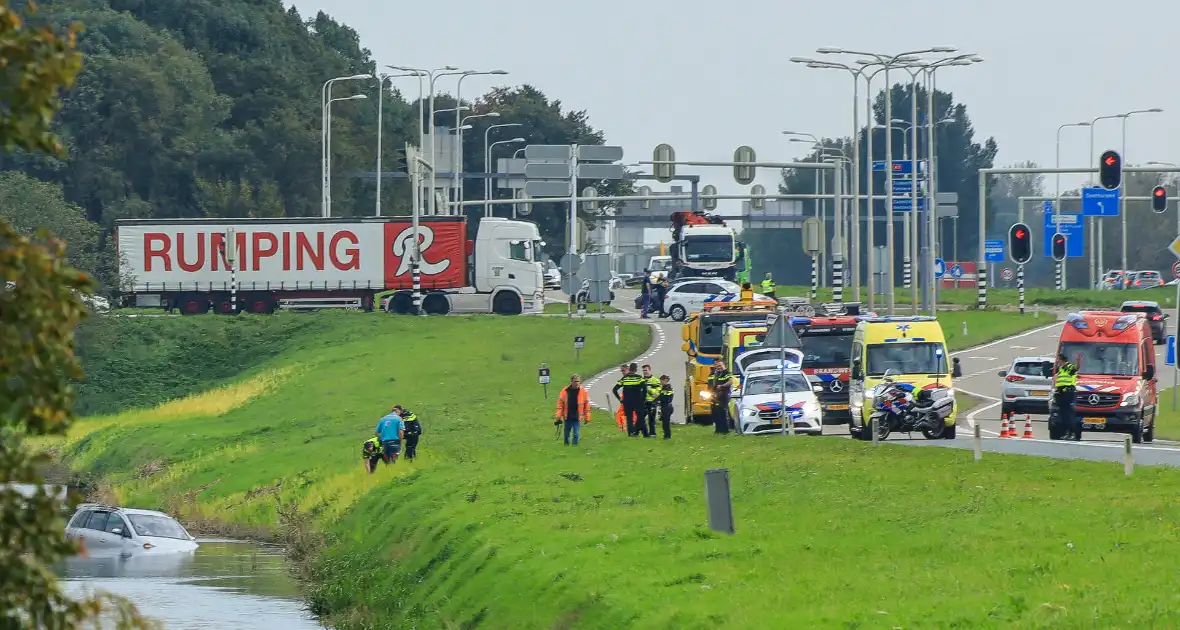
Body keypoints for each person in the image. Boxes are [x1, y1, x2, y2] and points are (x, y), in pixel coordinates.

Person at [612, 363, 651, 437]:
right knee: (640, 417)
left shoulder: (625, 378)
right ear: (636, 370)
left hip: (627, 401)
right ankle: (641, 433)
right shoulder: (639, 378)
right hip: (637, 401)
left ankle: (631, 433)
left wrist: (620, 399)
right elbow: (645, 389)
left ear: (629, 369)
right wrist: (643, 399)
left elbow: (614, 389)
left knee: (629, 418)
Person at [555, 374, 590, 445]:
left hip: (577, 417)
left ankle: (575, 447)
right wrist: (558, 417)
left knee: (576, 434)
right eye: (575, 381)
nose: (577, 383)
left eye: (578, 381)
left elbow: (586, 406)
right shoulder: (565, 391)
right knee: (566, 434)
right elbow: (560, 405)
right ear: (571, 382)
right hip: (567, 416)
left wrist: (587, 417)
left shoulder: (583, 392)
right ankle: (566, 445)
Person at [1054, 352, 1079, 440]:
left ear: (1062, 360)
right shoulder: (1061, 369)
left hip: (1068, 393)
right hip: (1061, 393)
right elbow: (1059, 381)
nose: (1057, 361)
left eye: (1058, 360)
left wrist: (1078, 360)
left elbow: (1076, 368)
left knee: (1069, 414)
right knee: (1063, 415)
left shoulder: (1069, 367)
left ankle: (1072, 433)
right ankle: (1066, 433)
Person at [706, 362, 733, 434]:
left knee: (723, 413)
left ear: (723, 365)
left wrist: (722, 386)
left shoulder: (726, 373)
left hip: (723, 396)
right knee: (715, 413)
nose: (718, 367)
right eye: (716, 365)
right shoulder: (712, 374)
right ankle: (718, 430)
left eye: (720, 365)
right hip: (713, 396)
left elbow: (730, 382)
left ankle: (725, 430)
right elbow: (709, 384)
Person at [642, 364, 661, 437]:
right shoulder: (642, 380)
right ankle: (645, 434)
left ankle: (652, 434)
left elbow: (658, 391)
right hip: (643, 402)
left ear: (649, 370)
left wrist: (649, 390)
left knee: (651, 419)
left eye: (646, 370)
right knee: (641, 418)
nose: (645, 372)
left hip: (652, 402)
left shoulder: (655, 380)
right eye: (643, 371)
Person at [657, 374, 675, 440]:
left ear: (665, 380)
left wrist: (660, 400)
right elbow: (660, 397)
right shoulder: (663, 388)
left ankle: (667, 436)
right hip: (665, 407)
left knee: (666, 423)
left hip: (667, 407)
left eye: (661, 381)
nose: (661, 382)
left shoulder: (668, 389)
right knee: (664, 422)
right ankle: (666, 435)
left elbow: (668, 399)